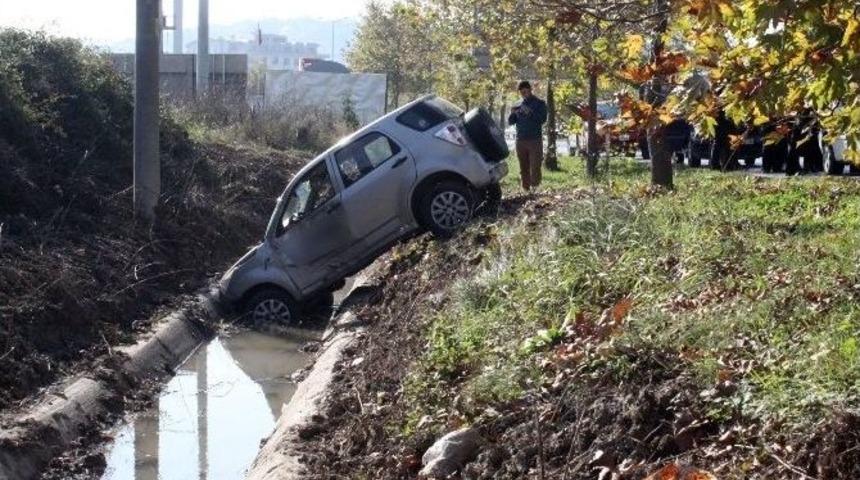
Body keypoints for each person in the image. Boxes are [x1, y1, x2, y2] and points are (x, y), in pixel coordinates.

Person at [508, 81, 547, 191]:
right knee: (523, 167)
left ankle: (535, 188)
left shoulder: (540, 103)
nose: (523, 94)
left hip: (534, 139)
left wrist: (529, 113)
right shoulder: (518, 104)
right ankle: (525, 189)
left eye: (525, 91)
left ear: (530, 90)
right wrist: (512, 114)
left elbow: (542, 120)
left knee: (535, 166)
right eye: (521, 92)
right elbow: (511, 122)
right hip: (520, 140)